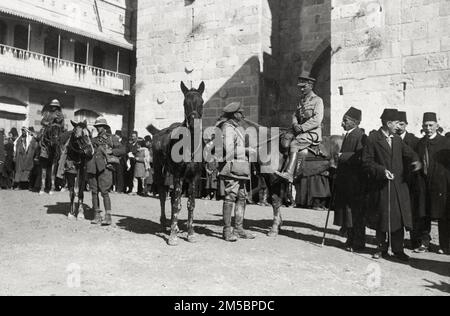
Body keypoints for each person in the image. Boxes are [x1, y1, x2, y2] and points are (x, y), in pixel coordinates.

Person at [362, 109, 422, 262]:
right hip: (382, 185)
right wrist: (382, 171)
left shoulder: (396, 139)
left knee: (398, 219)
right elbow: (367, 162)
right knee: (383, 217)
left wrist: (416, 160)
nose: (398, 126)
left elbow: (409, 152)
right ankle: (381, 248)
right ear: (388, 123)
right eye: (396, 123)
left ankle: (398, 250)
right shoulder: (373, 139)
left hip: (399, 186)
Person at [217, 102, 256, 242]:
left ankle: (239, 229)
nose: (243, 115)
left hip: (241, 169)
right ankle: (227, 231)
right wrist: (246, 150)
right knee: (230, 198)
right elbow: (229, 150)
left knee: (242, 197)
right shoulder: (228, 128)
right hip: (232, 169)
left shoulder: (236, 128)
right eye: (241, 112)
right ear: (234, 114)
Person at [276, 72, 324, 183]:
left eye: (304, 87)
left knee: (294, 143)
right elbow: (295, 115)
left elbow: (317, 120)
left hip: (312, 133)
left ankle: (289, 173)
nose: (301, 90)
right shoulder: (301, 101)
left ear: (311, 86)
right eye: (300, 87)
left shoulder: (318, 100)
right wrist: (295, 124)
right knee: (284, 139)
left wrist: (302, 128)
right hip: (300, 131)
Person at [414, 113, 450, 255]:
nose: (428, 128)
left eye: (430, 125)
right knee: (424, 214)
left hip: (441, 185)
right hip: (424, 184)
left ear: (437, 125)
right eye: (425, 125)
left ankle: (445, 245)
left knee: (443, 215)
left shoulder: (445, 142)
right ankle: (424, 243)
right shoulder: (420, 143)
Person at [333, 107, 367, 252]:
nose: (342, 123)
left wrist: (342, 156)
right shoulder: (348, 135)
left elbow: (360, 157)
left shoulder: (360, 136)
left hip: (355, 182)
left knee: (356, 213)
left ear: (355, 122)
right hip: (346, 180)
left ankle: (358, 242)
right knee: (348, 212)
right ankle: (350, 239)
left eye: (345, 120)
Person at [87, 118, 126, 226]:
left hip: (105, 168)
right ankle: (96, 215)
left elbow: (123, 150)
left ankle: (108, 217)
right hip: (92, 167)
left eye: (100, 126)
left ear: (105, 127)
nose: (98, 128)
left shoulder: (111, 138)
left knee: (104, 192)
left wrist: (111, 151)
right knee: (94, 192)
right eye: (97, 126)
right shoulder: (93, 140)